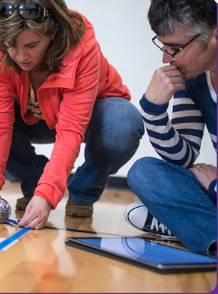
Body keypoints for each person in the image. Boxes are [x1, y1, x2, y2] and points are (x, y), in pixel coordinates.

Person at [0, 0, 144, 229]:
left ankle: (83, 192)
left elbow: (71, 129)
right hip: (38, 115)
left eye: (31, 46)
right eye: (11, 45)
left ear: (53, 31)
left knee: (123, 121)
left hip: (92, 118)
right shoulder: (0, 51)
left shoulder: (82, 46)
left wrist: (48, 195)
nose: (20, 56)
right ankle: (34, 182)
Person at [124, 0, 217, 257]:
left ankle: (192, 227)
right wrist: (153, 108)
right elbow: (183, 158)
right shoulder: (195, 78)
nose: (166, 59)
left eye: (175, 48)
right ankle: (201, 229)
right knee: (144, 172)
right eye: (163, 46)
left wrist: (215, 187)